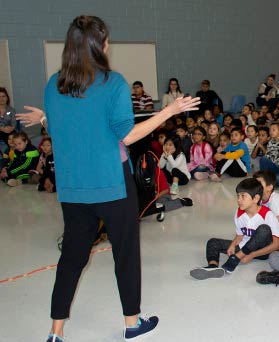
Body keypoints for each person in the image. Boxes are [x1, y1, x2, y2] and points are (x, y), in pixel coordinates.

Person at [16, 15, 200, 342]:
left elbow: (68, 125)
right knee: (125, 253)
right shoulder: (113, 83)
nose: (108, 45)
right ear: (98, 46)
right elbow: (127, 136)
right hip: (112, 185)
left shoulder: (55, 83)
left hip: (73, 190)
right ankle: (132, 323)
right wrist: (168, 112)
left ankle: (56, 331)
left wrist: (45, 116)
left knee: (71, 258)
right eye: (106, 41)